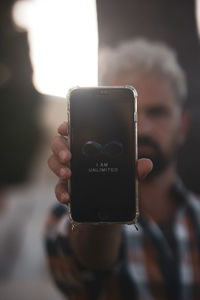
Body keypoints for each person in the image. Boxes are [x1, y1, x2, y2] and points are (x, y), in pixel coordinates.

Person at [47, 39, 200, 300]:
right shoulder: (70, 213)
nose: (144, 129)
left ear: (183, 126)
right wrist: (101, 208)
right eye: (132, 114)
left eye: (158, 112)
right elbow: (87, 263)